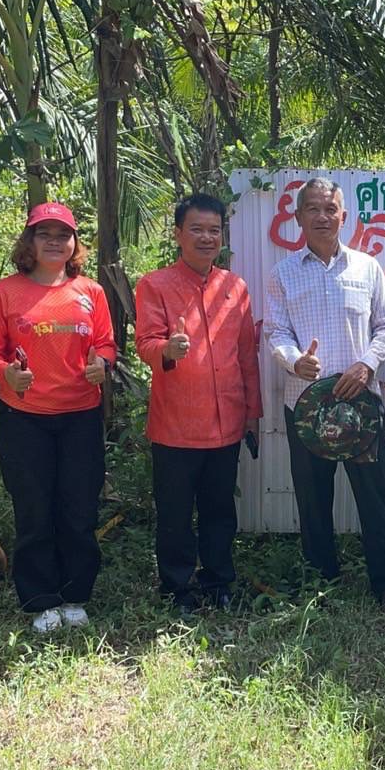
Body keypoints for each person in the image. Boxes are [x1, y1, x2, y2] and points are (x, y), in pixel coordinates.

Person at [265, 177, 385, 611]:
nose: (322, 216)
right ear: (298, 217)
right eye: (313, 208)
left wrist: (366, 365)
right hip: (305, 406)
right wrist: (294, 361)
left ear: (344, 216)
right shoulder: (282, 273)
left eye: (330, 208)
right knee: (312, 499)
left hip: (360, 406)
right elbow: (275, 331)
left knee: (375, 496)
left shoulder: (367, 268)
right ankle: (320, 579)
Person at [0, 202, 115, 633]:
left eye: (63, 235)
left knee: (78, 509)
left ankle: (75, 595)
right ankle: (40, 599)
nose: (54, 242)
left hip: (81, 417)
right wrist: (5, 374)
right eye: (44, 234)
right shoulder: (5, 292)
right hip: (24, 418)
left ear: (74, 244)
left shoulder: (90, 292)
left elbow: (107, 345)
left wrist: (102, 366)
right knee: (33, 509)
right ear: (29, 242)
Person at [136, 193, 261, 614]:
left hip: (226, 422)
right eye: (196, 229)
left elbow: (247, 354)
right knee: (174, 514)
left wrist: (253, 413)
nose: (206, 237)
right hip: (175, 425)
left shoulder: (235, 287)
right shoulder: (155, 285)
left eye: (213, 230)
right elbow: (145, 343)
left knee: (219, 511)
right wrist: (168, 349)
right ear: (178, 234)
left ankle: (219, 582)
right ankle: (176, 587)